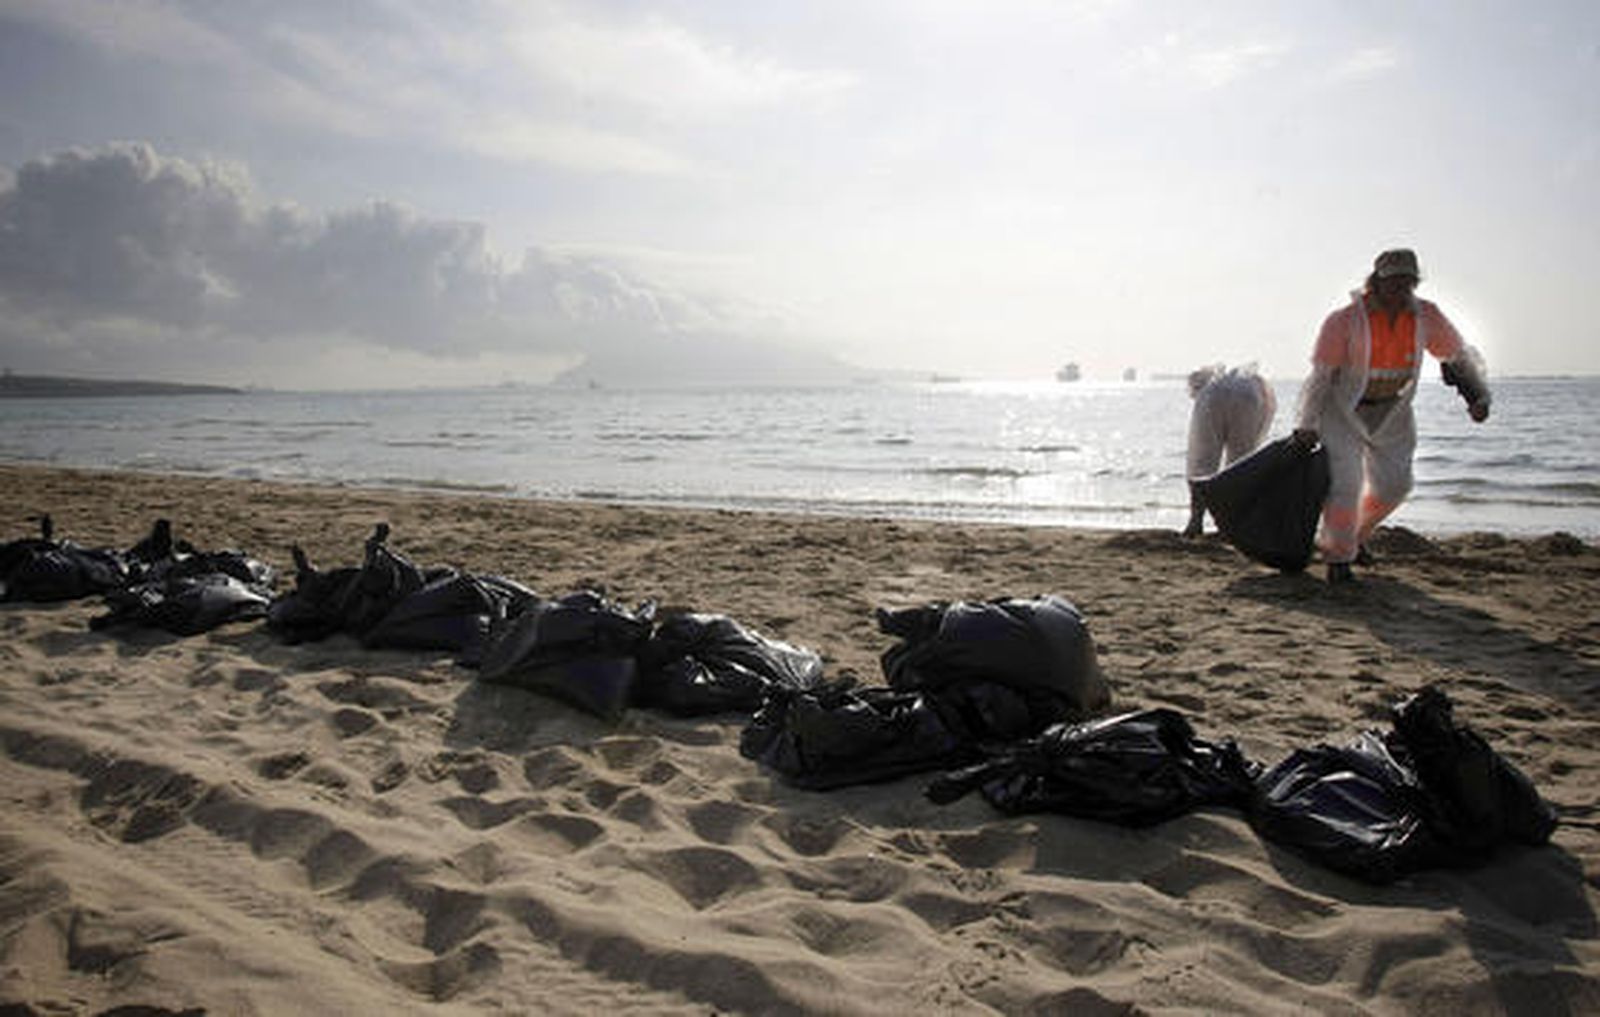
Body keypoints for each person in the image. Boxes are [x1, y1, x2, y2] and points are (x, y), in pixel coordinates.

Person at [1290, 248, 1491, 584]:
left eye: (1408, 283)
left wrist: (1477, 397)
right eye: (1393, 282)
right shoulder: (1344, 321)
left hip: (1392, 412)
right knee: (1345, 484)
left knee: (1394, 486)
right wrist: (1306, 424)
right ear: (1376, 282)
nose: (1400, 290)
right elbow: (1321, 376)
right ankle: (1338, 559)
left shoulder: (1426, 316)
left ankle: (1355, 537)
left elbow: (1456, 357)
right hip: (1342, 412)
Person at [1183, 363, 1277, 537]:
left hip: (1213, 399)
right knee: (1241, 464)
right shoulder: (1255, 384)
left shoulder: (1209, 389)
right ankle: (1232, 521)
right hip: (1250, 398)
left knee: (1201, 462)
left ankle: (1196, 520)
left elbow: (1198, 459)